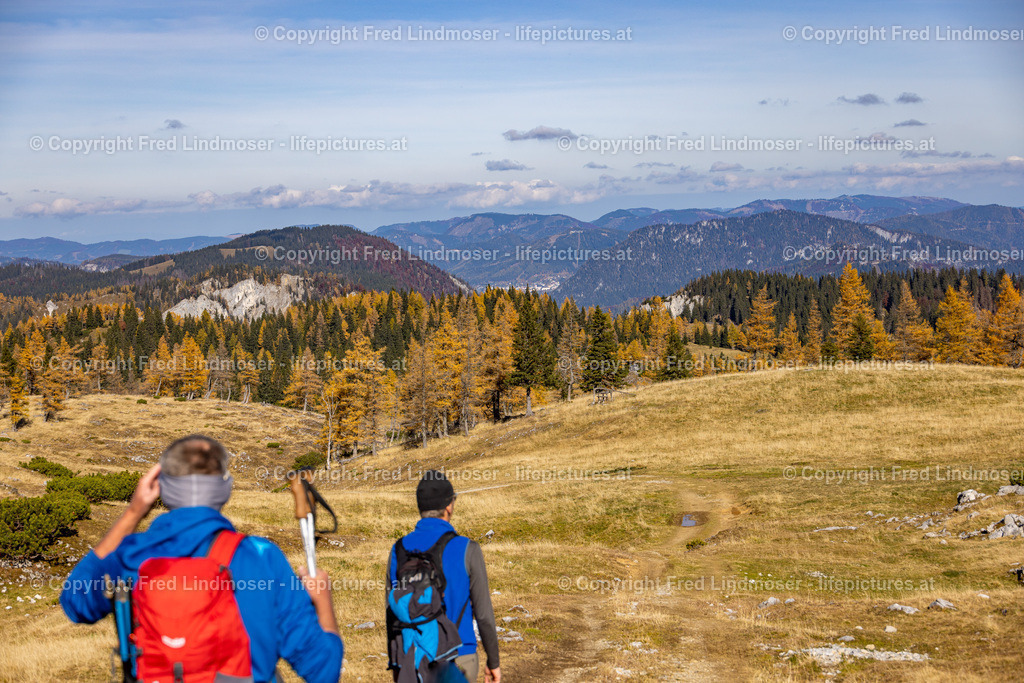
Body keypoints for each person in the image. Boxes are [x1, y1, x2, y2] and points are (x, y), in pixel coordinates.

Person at [60, 434, 343, 683]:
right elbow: (323, 670)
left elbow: (76, 602)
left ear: (161, 487)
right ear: (226, 488)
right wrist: (323, 603)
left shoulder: (132, 555)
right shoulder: (262, 556)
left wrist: (134, 511)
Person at [387, 470, 501, 683]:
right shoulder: (467, 549)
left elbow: (391, 612)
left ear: (420, 507)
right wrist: (493, 662)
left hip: (412, 659)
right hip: (460, 656)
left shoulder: (398, 550)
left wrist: (396, 663)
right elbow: (483, 615)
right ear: (449, 505)